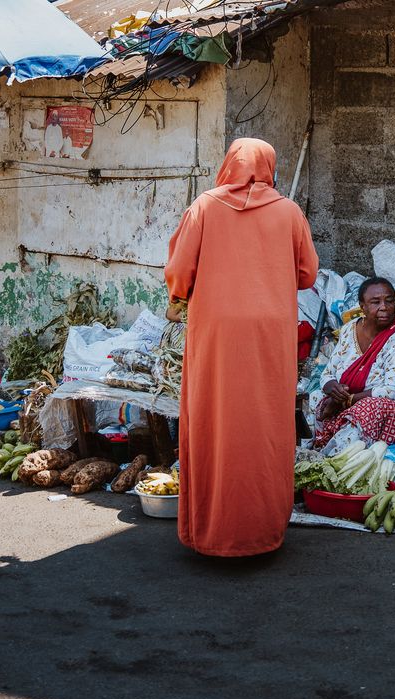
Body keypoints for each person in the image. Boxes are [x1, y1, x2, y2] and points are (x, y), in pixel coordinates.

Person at [166, 138, 318, 557]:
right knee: (265, 421)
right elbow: (307, 274)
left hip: (215, 332)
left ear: (229, 165)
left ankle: (213, 529)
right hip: (270, 335)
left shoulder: (204, 207)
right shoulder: (288, 212)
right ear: (269, 167)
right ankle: (261, 530)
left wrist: (183, 294)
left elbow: (179, 273)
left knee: (214, 418)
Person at [314, 277, 395, 449]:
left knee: (367, 408)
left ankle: (335, 456)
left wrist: (346, 400)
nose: (384, 307)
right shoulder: (350, 328)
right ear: (362, 306)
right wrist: (332, 387)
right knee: (315, 397)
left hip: (385, 410)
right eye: (375, 302)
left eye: (389, 301)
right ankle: (310, 446)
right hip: (345, 402)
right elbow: (328, 372)